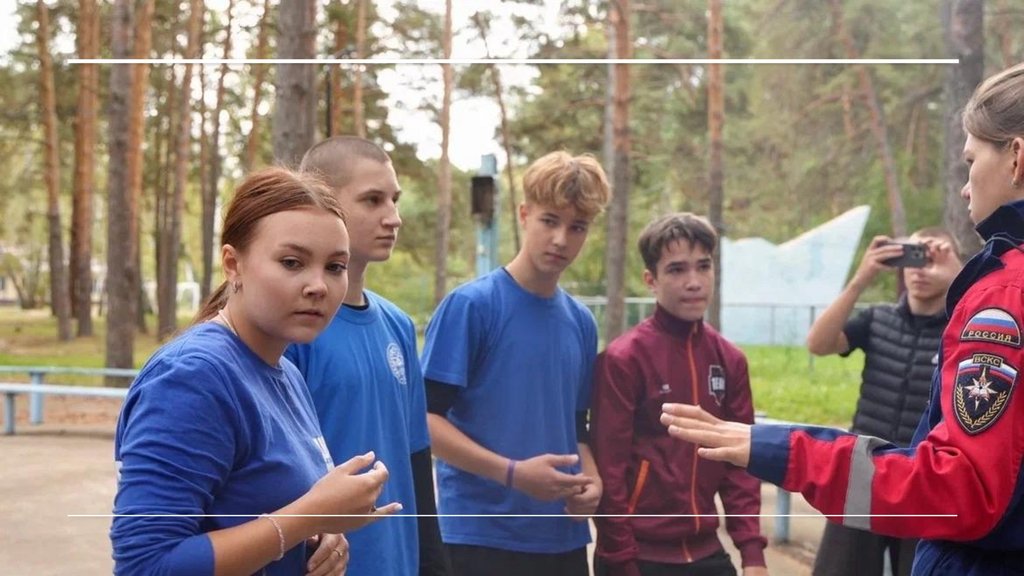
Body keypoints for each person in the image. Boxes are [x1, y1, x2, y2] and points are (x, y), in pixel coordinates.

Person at [660, 62, 1024, 576]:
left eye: (970, 161)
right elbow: (819, 341)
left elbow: (962, 488)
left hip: (922, 507)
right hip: (889, 480)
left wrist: (782, 450)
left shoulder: (1003, 297)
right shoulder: (886, 318)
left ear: (1016, 158)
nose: (965, 187)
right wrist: (864, 277)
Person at [111, 167, 401, 576]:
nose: (318, 285)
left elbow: (269, 511)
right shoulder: (193, 377)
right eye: (292, 262)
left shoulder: (285, 371)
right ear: (233, 264)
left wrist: (320, 536)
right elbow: (147, 564)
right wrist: (310, 516)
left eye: (335, 267)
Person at [420, 151, 611, 576]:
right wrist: (512, 473)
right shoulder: (472, 306)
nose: (561, 239)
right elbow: (424, 421)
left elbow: (575, 426)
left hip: (562, 538)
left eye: (577, 227)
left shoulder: (581, 322)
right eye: (550, 220)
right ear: (525, 215)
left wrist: (592, 479)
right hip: (478, 537)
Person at [286, 136, 450, 576]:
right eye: (373, 200)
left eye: (395, 200)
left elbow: (415, 457)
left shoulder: (398, 325)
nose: (393, 217)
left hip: (399, 560)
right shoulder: (296, 328)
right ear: (323, 200)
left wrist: (433, 562)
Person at [591, 213, 768, 576]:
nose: (694, 282)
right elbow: (610, 469)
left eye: (704, 266)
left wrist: (752, 553)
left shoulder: (730, 360)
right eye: (676, 270)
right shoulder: (623, 360)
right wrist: (621, 558)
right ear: (651, 280)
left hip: (706, 551)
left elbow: (741, 465)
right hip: (637, 554)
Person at [805, 228, 963, 576]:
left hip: (927, 478)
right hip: (864, 469)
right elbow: (818, 343)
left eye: (932, 258)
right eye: (912, 256)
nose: (920, 269)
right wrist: (860, 279)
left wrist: (961, 278)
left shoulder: (963, 329)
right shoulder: (877, 318)